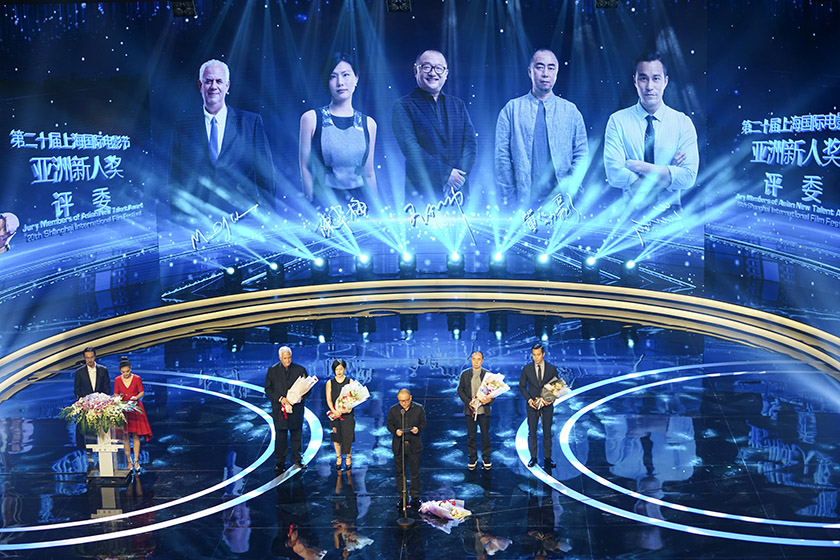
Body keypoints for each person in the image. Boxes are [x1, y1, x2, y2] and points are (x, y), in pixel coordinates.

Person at [168, 59, 276, 222]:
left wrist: (269, 219)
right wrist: (178, 220)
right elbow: (175, 180)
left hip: (244, 219)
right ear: (200, 86)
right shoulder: (182, 128)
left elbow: (266, 176)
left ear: (227, 86)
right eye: (208, 81)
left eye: (219, 81)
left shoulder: (250, 123)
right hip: (199, 223)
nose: (213, 86)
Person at [603, 51, 699, 209]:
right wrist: (668, 174)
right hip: (630, 214)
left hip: (671, 214)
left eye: (656, 78)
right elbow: (614, 175)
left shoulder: (682, 123)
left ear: (665, 81)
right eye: (643, 78)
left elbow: (688, 178)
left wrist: (639, 167)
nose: (649, 86)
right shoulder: (617, 121)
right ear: (635, 81)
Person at [495, 48, 588, 208]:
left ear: (556, 73)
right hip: (523, 202)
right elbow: (501, 158)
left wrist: (572, 191)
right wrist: (509, 200)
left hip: (562, 202)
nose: (545, 74)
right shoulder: (511, 109)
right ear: (530, 72)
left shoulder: (571, 111)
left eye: (551, 68)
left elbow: (581, 154)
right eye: (540, 67)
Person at [392, 50, 477, 203]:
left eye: (439, 68)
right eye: (426, 67)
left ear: (446, 73)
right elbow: (410, 149)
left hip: (458, 193)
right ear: (416, 70)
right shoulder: (403, 106)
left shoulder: (458, 104)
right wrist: (446, 174)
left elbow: (470, 145)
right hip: (422, 196)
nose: (433, 73)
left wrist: (458, 178)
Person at [299, 53, 378, 207]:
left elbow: (369, 173)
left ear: (356, 79)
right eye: (333, 76)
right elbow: (305, 167)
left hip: (361, 203)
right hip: (324, 201)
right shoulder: (311, 119)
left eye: (346, 75)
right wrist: (310, 202)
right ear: (326, 81)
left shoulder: (369, 124)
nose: (340, 82)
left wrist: (376, 207)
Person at [265, 346, 310, 473]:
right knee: (280, 436)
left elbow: (308, 389)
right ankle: (280, 461)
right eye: (285, 358)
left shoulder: (300, 370)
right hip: (280, 410)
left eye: (289, 358)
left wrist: (299, 397)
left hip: (296, 410)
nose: (287, 360)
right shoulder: (272, 371)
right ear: (280, 358)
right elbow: (268, 389)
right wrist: (280, 398)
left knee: (297, 434)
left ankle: (298, 459)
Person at [519, 343, 559, 469]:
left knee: (547, 432)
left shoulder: (551, 369)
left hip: (547, 406)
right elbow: (522, 386)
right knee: (532, 432)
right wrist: (529, 400)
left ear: (543, 354)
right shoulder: (527, 369)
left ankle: (548, 458)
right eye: (534, 355)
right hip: (532, 406)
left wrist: (550, 400)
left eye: (538, 355)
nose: (536, 357)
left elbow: (556, 387)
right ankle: (533, 457)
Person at [386, 388, 426, 506]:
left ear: (410, 398)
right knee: (400, 473)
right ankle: (402, 496)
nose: (403, 403)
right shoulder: (393, 410)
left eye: (406, 400)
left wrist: (418, 429)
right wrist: (395, 431)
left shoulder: (418, 408)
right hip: (399, 446)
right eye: (401, 401)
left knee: (415, 472)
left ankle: (415, 496)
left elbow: (423, 423)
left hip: (414, 445)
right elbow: (389, 425)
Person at [457, 351, 494, 470]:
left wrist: (489, 399)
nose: (476, 362)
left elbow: (493, 392)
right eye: (474, 359)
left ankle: (486, 458)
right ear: (471, 360)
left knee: (485, 435)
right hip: (470, 411)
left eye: (478, 359)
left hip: (484, 410)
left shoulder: (488, 374)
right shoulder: (465, 374)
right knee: (471, 435)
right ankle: (473, 458)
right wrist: (468, 401)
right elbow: (460, 390)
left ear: (482, 360)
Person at [113, 358, 152, 471]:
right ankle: (129, 462)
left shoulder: (137, 378)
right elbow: (115, 393)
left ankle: (136, 461)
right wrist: (118, 399)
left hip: (135, 408)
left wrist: (136, 397)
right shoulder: (117, 380)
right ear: (120, 371)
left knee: (136, 435)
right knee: (125, 436)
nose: (125, 374)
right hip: (124, 409)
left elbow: (142, 392)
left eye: (127, 371)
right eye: (123, 372)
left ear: (131, 369)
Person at [325, 358, 355, 470]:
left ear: (344, 369)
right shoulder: (330, 383)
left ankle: (348, 457)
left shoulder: (350, 382)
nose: (339, 371)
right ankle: (338, 457)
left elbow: (353, 398)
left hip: (347, 414)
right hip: (335, 414)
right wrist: (334, 410)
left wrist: (347, 409)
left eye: (341, 369)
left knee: (348, 436)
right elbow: (328, 399)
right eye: (337, 369)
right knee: (336, 436)